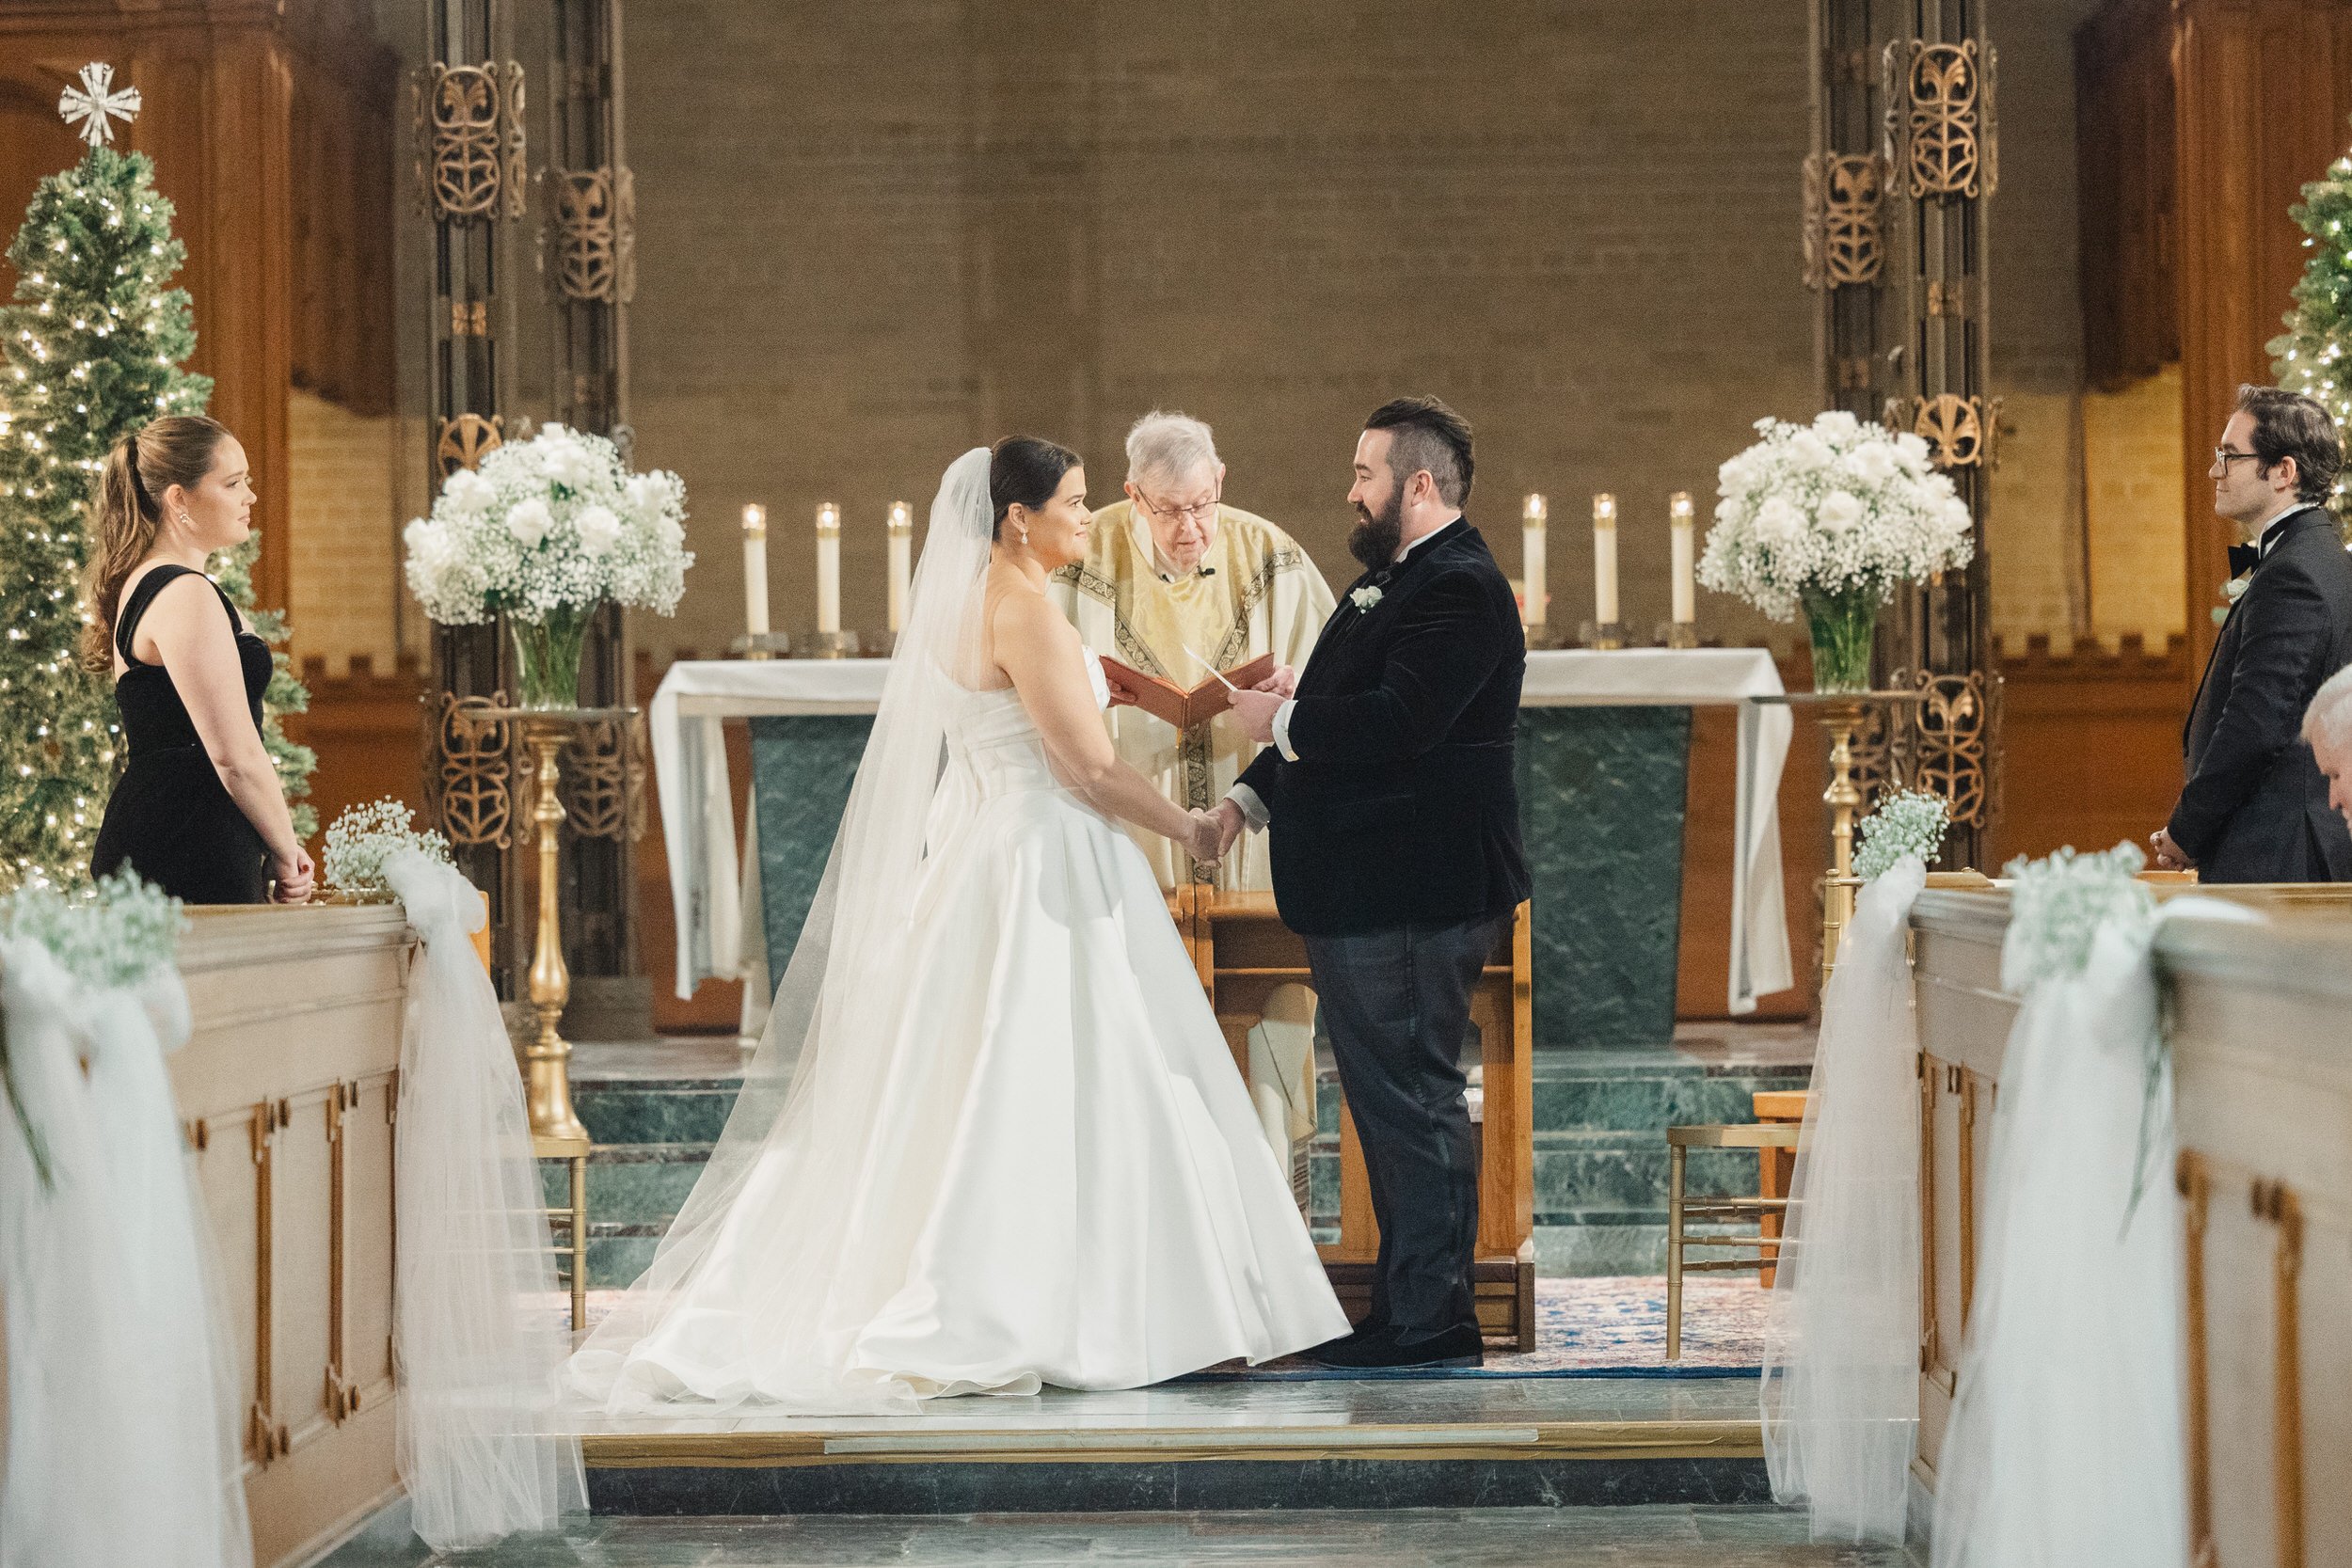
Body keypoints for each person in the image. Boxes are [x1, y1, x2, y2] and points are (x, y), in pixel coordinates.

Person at [567, 440, 1346, 1414]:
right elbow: (1089, 770)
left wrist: (1086, 688)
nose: (1084, 517)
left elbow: (1014, 726)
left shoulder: (965, 603)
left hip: (987, 850)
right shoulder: (1028, 610)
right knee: (1084, 1070)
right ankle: (1093, 1305)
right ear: (1018, 517)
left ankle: (1049, 1289)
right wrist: (1192, 827)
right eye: (1070, 502)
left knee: (983, 1078)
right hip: (1049, 859)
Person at [1209, 396, 1531, 1370]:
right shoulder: (1392, 581)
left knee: (1414, 1097)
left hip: (1413, 888)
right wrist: (1247, 798)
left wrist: (1280, 721)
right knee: (1388, 1102)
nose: (1352, 491)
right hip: (1373, 890)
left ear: (1417, 483)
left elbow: (1398, 722)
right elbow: (1331, 711)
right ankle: (1405, 1305)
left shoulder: (1460, 586)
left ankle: (1435, 1319)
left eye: (1365, 473)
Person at [1048, 410, 1334, 894]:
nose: (1189, 529)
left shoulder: (1271, 553)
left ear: (1219, 479)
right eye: (1168, 510)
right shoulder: (1080, 556)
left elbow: (1334, 683)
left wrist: (1292, 692)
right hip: (1129, 805)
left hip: (1243, 793)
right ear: (1135, 495)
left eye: (1202, 505)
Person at [84, 416, 313, 904]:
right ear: (178, 499)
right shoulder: (184, 593)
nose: (250, 496)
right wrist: (285, 849)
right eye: (233, 483)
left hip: (179, 832)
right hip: (187, 842)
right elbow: (235, 757)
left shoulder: (156, 583)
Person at [2151, 386, 2352, 882]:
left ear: (2284, 472)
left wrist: (2187, 830)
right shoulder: (2316, 557)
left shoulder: (2295, 572)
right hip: (2286, 845)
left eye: (2230, 456)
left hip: (2280, 853)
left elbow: (2256, 723)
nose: (2214, 471)